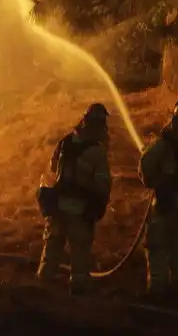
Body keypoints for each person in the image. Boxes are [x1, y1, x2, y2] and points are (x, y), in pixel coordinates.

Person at [36, 102, 112, 296]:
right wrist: (99, 203)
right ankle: (77, 291)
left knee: (52, 249)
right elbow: (102, 184)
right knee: (80, 252)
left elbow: (53, 167)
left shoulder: (66, 141)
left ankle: (41, 286)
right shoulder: (98, 151)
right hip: (79, 210)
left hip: (58, 207)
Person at [138, 97, 178, 298]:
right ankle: (175, 279)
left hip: (166, 201)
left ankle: (158, 285)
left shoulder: (162, 144)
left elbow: (145, 166)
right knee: (177, 240)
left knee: (156, 242)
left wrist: (153, 181)